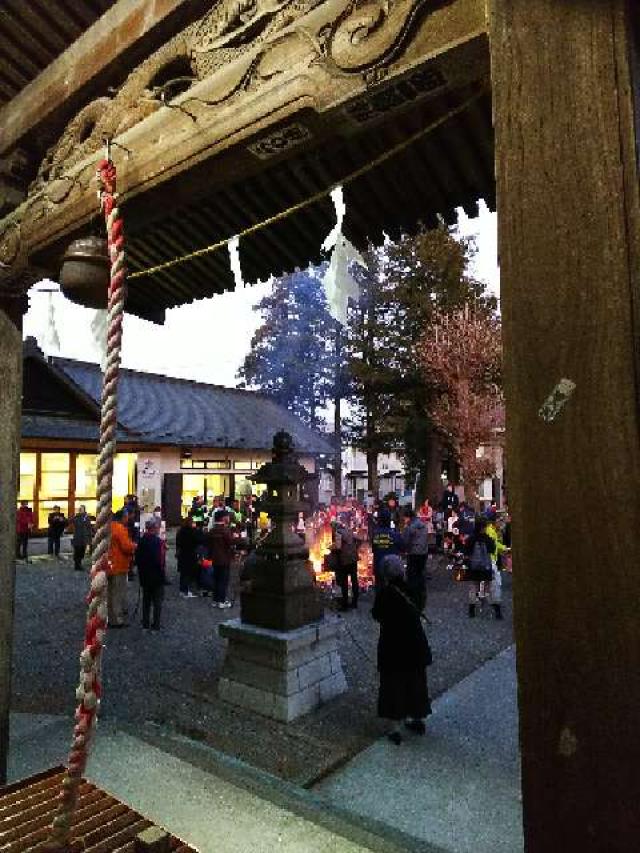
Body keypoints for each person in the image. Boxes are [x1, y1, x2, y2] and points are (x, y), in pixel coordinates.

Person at [372, 554, 432, 744]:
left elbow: (377, 615)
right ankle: (417, 718)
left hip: (393, 645)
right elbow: (421, 603)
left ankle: (395, 728)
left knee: (393, 685)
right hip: (415, 643)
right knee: (416, 681)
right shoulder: (412, 588)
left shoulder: (385, 594)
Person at [463, 516, 500, 619]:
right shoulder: (487, 539)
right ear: (483, 527)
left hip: (474, 567)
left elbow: (466, 552)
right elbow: (492, 550)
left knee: (473, 588)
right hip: (486, 567)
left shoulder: (471, 539)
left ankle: (471, 611)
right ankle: (497, 611)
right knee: (491, 589)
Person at [135, 519, 167, 630]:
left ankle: (145, 623)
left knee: (146, 601)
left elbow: (137, 559)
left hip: (145, 575)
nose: (159, 529)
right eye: (158, 527)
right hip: (157, 576)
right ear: (154, 528)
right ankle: (156, 624)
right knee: (157, 601)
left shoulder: (141, 541)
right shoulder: (159, 542)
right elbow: (161, 561)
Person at [107, 509, 136, 627]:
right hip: (119, 565)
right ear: (123, 518)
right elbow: (126, 547)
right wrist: (134, 546)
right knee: (118, 593)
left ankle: (109, 617)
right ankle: (116, 620)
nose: (128, 519)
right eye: (127, 517)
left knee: (110, 593)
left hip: (108, 564)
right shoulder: (120, 529)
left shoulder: (108, 527)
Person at [206, 509, 235, 608]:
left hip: (214, 559)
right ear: (223, 518)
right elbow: (231, 542)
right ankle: (221, 601)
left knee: (216, 579)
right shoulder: (225, 530)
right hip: (224, 559)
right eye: (227, 516)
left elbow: (208, 544)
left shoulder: (212, 530)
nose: (229, 518)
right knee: (223, 580)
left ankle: (215, 600)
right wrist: (241, 540)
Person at [402, 509, 429, 611]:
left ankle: (412, 598)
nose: (404, 520)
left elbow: (405, 541)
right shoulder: (423, 525)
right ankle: (422, 596)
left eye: (404, 518)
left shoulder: (410, 527)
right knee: (420, 573)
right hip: (423, 553)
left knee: (411, 576)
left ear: (408, 517)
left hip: (413, 553)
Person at [371, 509, 403, 586]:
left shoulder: (375, 534)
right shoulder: (395, 534)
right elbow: (402, 548)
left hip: (379, 567)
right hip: (393, 568)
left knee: (380, 589)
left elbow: (373, 549)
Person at [335, 515, 360, 611]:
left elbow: (338, 547)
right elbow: (359, 539)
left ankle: (345, 604)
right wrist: (356, 548)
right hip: (353, 558)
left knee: (344, 581)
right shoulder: (350, 531)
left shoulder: (338, 532)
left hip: (345, 560)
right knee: (354, 580)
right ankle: (355, 602)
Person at [176, 515, 198, 598]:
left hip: (182, 554)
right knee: (187, 574)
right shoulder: (191, 532)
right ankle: (185, 591)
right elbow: (196, 540)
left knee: (183, 574)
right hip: (189, 555)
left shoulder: (180, 531)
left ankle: (182, 590)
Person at [69, 505, 93, 571]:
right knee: (77, 552)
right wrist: (73, 516)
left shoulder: (87, 517)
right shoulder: (76, 517)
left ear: (84, 510)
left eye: (81, 509)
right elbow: (70, 521)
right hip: (77, 537)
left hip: (84, 538)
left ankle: (79, 564)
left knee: (82, 552)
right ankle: (77, 565)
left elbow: (89, 528)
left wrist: (89, 539)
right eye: (80, 509)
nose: (80, 510)